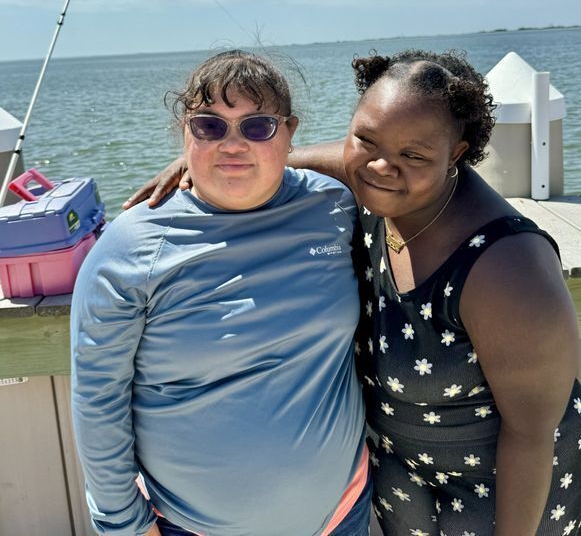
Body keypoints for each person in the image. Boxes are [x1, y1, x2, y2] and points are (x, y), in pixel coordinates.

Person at [128, 48, 581, 535]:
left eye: (413, 154)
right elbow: (309, 157)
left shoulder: (508, 267)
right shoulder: (370, 187)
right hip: (401, 488)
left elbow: (533, 435)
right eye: (366, 138)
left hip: (504, 502)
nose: (381, 166)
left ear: (457, 153)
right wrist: (211, 158)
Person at [71, 50, 371, 536]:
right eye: (209, 126)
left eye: (257, 127)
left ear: (290, 131)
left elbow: (400, 159)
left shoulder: (332, 205)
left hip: (341, 515)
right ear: (184, 133)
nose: (232, 144)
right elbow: (98, 400)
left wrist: (254, 152)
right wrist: (123, 525)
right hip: (189, 527)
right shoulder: (128, 248)